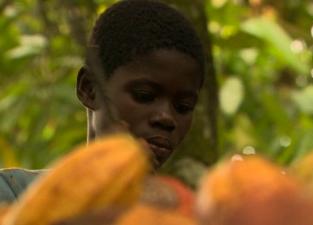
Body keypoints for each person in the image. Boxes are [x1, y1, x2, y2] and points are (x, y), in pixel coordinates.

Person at [0, 0, 205, 202]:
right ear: (89, 89)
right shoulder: (13, 193)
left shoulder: (189, 214)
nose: (167, 118)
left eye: (183, 107)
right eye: (144, 95)